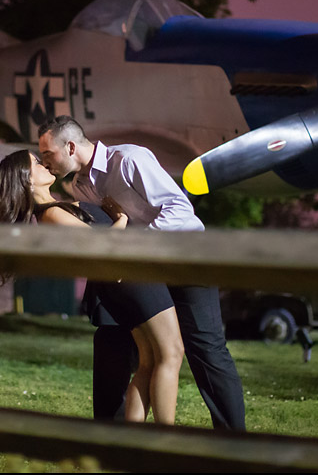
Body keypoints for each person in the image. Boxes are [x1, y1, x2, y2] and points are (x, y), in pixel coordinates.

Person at [38, 116, 247, 431]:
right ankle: (126, 439)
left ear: (69, 147)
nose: (45, 162)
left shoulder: (129, 159)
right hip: (144, 272)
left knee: (206, 348)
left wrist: (134, 245)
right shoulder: (79, 185)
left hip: (186, 257)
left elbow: (180, 210)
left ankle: (234, 441)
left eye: (47, 154)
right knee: (137, 350)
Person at [0, 149, 184, 424]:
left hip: (128, 278)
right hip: (131, 279)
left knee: (150, 360)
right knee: (171, 353)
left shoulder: (57, 207)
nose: (44, 164)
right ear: (26, 179)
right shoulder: (51, 214)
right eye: (36, 163)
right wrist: (121, 220)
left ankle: (136, 440)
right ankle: (168, 440)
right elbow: (101, 247)